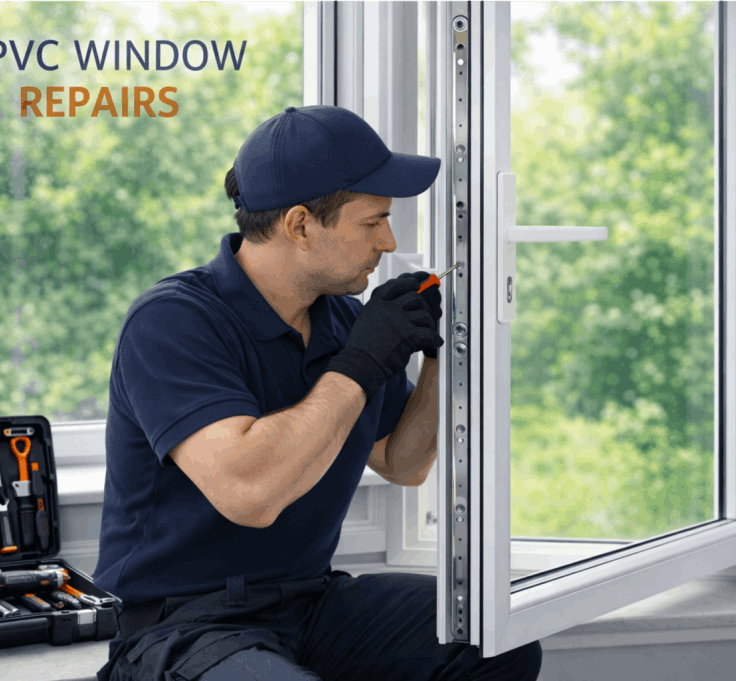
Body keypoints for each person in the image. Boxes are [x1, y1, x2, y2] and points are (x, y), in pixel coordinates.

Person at [94, 105, 542, 681]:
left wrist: (442, 354)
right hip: (180, 623)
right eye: (373, 222)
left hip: (306, 602)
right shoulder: (173, 321)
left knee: (493, 638)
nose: (389, 241)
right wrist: (360, 364)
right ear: (301, 225)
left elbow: (402, 462)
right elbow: (249, 492)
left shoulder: (343, 321)